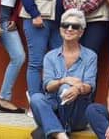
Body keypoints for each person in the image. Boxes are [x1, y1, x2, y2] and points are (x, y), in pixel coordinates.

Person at [29, 9, 98, 139]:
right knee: (36, 98)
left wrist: (77, 89)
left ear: (81, 32)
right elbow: (48, 86)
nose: (69, 29)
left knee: (66, 89)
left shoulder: (90, 56)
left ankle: (51, 129)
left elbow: (90, 85)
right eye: (65, 25)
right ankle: (61, 134)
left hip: (77, 114)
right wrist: (63, 80)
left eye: (75, 26)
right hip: (53, 108)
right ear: (60, 29)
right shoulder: (50, 56)